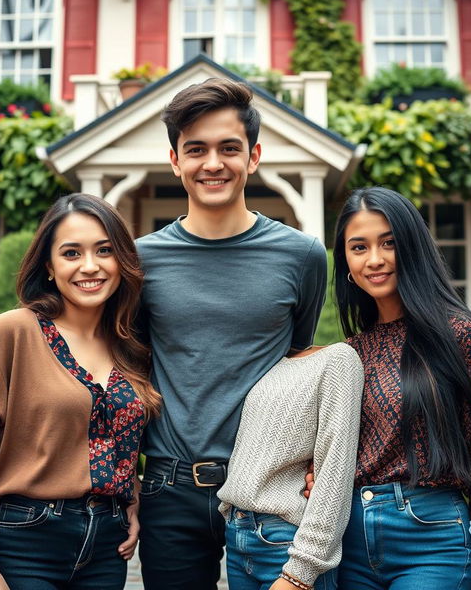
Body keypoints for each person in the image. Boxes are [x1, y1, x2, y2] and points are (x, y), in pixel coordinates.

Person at [135, 78, 328, 589]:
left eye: (228, 148)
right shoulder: (140, 259)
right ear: (175, 160)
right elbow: (127, 365)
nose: (212, 163)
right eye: (195, 149)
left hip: (270, 484)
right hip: (169, 484)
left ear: (254, 155)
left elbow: (298, 360)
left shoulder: (303, 255)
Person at [0, 193, 161, 590]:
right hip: (22, 542)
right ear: (50, 267)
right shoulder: (13, 332)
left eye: (104, 250)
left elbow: (115, 437)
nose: (90, 266)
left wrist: (133, 495)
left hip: (107, 548)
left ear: (121, 261)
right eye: (71, 253)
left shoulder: (131, 345)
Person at [331, 186, 471, 590]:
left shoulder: (459, 333)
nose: (375, 259)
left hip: (432, 539)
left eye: (389, 243)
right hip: (349, 541)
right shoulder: (349, 352)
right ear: (346, 261)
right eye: (359, 247)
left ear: (412, 247)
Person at [217, 339, 363, 590]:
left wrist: (300, 572)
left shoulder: (338, 358)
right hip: (238, 537)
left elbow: (335, 470)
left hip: (286, 545)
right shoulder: (267, 365)